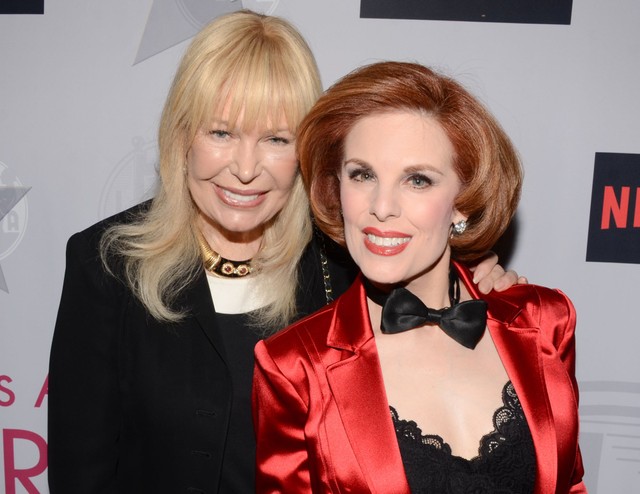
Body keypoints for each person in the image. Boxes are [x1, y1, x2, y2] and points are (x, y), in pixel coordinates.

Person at [47, 11, 519, 494]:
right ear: (181, 135)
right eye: (221, 133)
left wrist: (483, 285)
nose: (245, 169)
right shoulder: (106, 264)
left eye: (275, 139)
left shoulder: (349, 261)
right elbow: (80, 474)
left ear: (305, 152)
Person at [252, 61, 586, 493]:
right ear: (337, 188)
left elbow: (570, 482)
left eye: (417, 180)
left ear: (462, 201)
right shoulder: (295, 368)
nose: (382, 207)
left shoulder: (545, 322)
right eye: (362, 175)